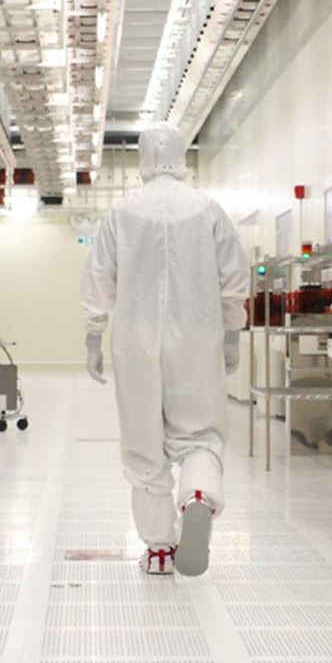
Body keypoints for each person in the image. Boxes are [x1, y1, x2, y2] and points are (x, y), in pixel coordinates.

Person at [81, 123, 248, 576]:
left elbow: (99, 277)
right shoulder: (206, 208)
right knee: (200, 432)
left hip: (134, 339)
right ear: (181, 155)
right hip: (196, 337)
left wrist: (94, 335)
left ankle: (158, 548)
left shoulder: (122, 211)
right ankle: (197, 495)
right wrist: (232, 333)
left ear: (141, 157)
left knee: (142, 440)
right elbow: (233, 279)